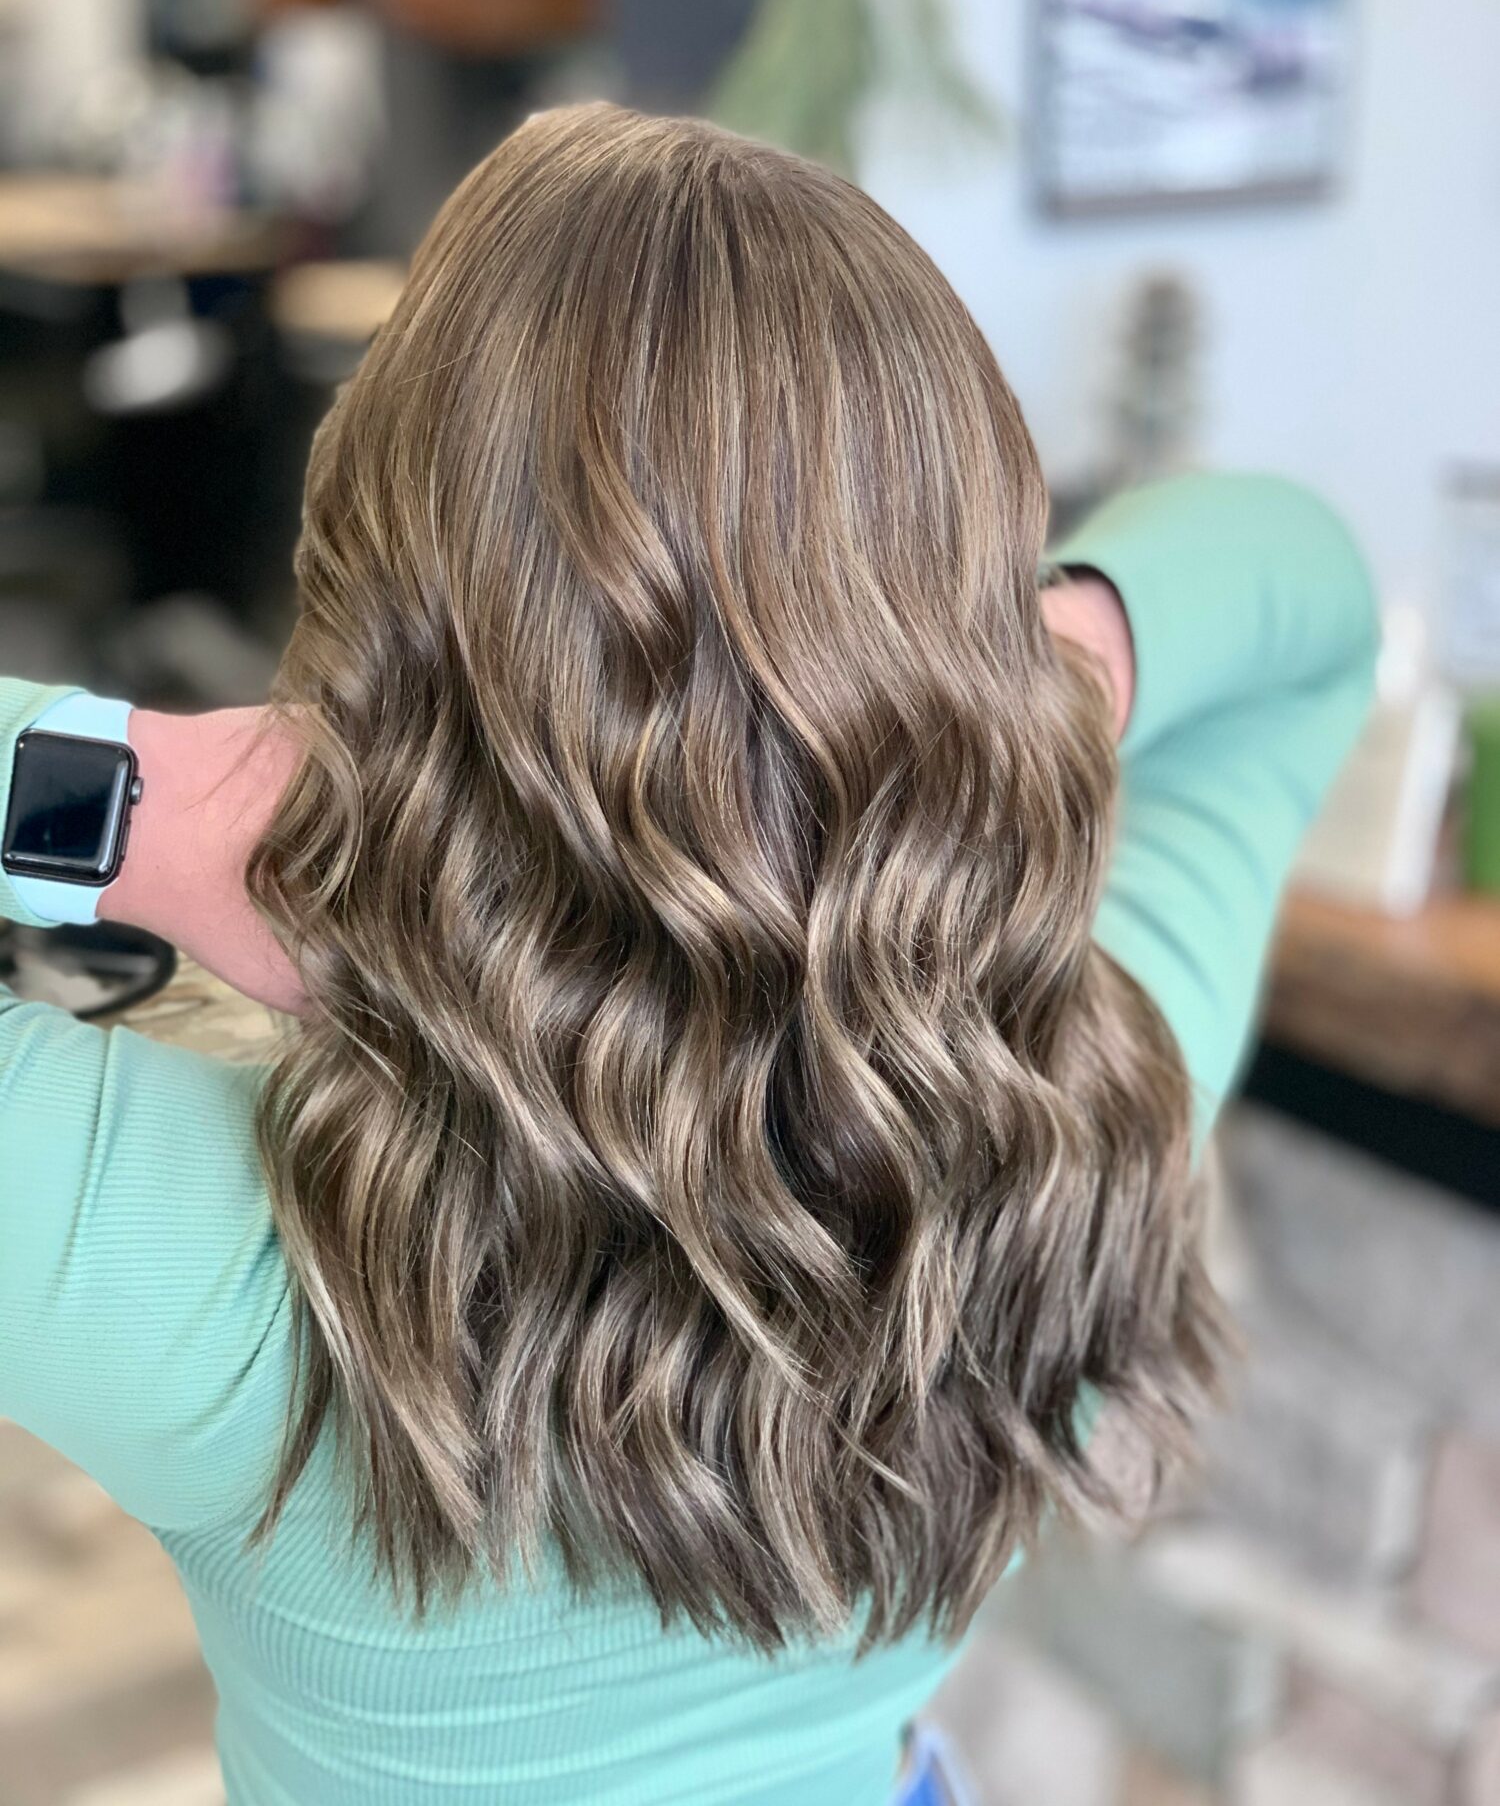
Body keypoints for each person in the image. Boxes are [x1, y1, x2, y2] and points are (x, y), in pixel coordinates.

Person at [0, 105, 1377, 1806]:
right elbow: (1307, 586)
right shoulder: (1063, 1129)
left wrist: (152, 805)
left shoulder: (221, 1277)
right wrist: (1049, 665)